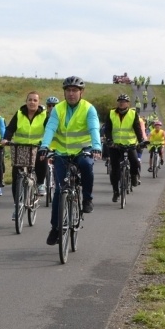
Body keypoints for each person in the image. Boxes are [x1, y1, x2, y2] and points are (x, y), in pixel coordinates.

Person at [38, 76, 102, 245]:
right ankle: (55, 228)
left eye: (74, 90)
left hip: (83, 150)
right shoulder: (58, 109)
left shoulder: (88, 109)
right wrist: (45, 146)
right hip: (62, 152)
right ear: (64, 92)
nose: (71, 93)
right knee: (60, 191)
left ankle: (87, 199)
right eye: (68, 90)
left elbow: (94, 128)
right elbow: (50, 128)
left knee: (87, 165)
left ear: (81, 92)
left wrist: (96, 146)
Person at [1, 91, 49, 218]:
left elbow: (49, 130)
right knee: (16, 176)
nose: (32, 102)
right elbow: (10, 128)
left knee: (42, 159)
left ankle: (40, 183)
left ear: (38, 103)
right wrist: (6, 139)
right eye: (30, 100)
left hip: (38, 146)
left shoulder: (44, 115)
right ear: (26, 101)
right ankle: (17, 206)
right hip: (21, 147)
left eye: (35, 100)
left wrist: (47, 144)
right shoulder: (19, 114)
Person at [103, 94, 147, 202]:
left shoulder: (133, 114)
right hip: (115, 145)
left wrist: (141, 141)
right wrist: (109, 140)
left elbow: (137, 128)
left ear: (128, 103)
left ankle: (133, 176)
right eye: (120, 101)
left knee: (135, 162)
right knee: (115, 169)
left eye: (124, 101)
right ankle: (115, 191)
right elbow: (107, 129)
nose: (121, 103)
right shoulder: (111, 113)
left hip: (129, 144)